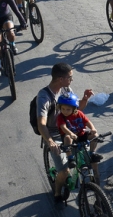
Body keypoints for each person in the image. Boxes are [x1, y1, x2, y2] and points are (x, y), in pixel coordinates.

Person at [36, 63, 94, 201]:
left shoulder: (65, 88)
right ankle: (57, 192)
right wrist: (50, 141)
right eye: (70, 77)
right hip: (54, 135)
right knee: (64, 171)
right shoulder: (44, 97)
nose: (71, 80)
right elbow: (41, 124)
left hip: (70, 130)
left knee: (87, 161)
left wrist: (85, 99)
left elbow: (76, 109)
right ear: (60, 79)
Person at [56, 93, 103, 182]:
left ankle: (92, 153)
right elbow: (63, 127)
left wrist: (93, 129)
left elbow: (88, 122)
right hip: (69, 137)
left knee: (95, 136)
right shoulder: (60, 117)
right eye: (63, 109)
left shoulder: (79, 113)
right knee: (68, 137)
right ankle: (70, 158)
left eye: (68, 109)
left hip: (81, 135)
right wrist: (70, 133)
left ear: (74, 109)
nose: (65, 111)